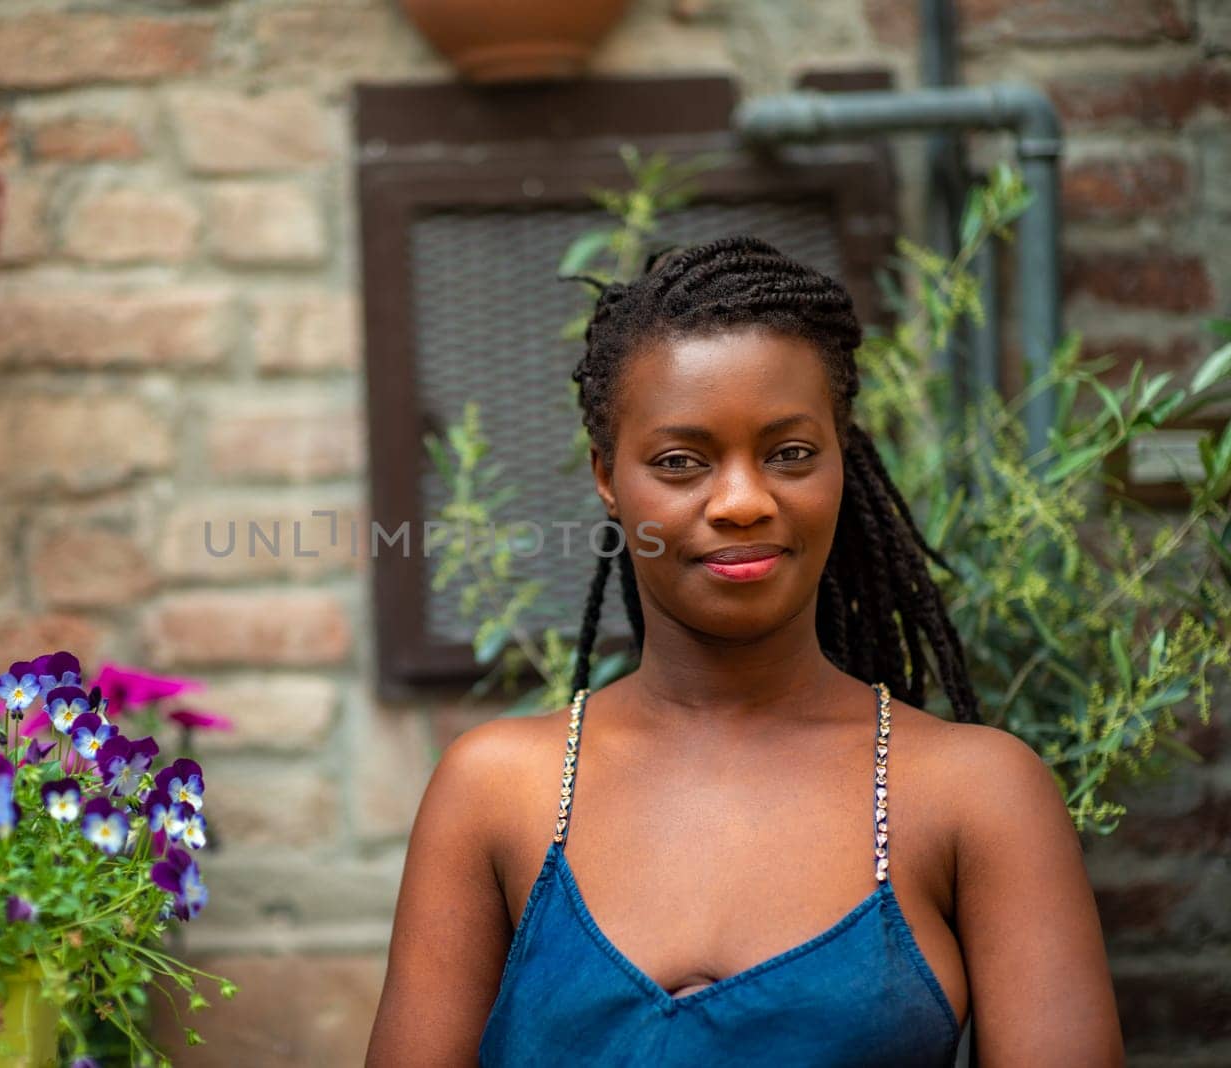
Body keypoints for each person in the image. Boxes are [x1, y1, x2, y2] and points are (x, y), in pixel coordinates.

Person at [365, 236, 1124, 1066]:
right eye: (681, 462)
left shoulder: (974, 794)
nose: (741, 501)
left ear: (843, 459)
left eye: (790, 454)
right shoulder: (499, 791)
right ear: (607, 477)